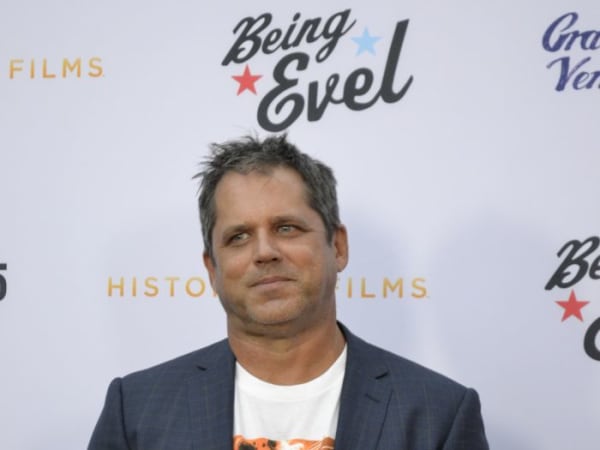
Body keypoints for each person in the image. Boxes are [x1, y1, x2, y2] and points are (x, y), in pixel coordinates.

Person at [88, 134, 489, 449]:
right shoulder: (136, 410)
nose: (265, 252)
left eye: (286, 228)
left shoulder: (439, 414)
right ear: (212, 268)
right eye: (239, 236)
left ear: (338, 247)